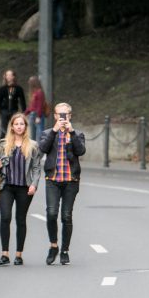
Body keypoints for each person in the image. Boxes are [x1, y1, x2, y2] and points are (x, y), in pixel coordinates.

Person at [39, 102, 86, 266]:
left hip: (71, 181)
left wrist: (71, 132)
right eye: (60, 115)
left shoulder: (77, 134)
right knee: (51, 213)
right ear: (55, 116)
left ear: (70, 116)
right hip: (53, 179)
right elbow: (43, 148)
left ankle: (65, 250)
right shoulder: (47, 133)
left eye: (65, 115)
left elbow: (81, 151)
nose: (63, 118)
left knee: (66, 216)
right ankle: (53, 246)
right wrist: (54, 130)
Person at [0, 113, 41, 266]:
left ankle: (19, 255)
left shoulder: (33, 146)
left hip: (24, 188)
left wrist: (34, 184)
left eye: (22, 124)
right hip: (6, 186)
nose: (19, 126)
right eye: (16, 124)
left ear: (25, 127)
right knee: (5, 217)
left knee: (21, 219)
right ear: (12, 127)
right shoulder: (4, 144)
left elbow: (36, 168)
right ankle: (4, 254)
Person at [0, 69, 26, 140]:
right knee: (3, 130)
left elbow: (22, 101)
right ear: (5, 77)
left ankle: (15, 145)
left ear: (13, 76)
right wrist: (0, 112)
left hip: (14, 111)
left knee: (15, 129)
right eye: (7, 75)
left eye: (10, 75)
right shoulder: (2, 88)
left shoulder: (18, 88)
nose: (9, 77)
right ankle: (2, 147)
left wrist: (23, 112)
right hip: (4, 111)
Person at [25, 76, 46, 141]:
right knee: (32, 133)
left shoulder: (39, 92)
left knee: (40, 133)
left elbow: (40, 105)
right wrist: (25, 113)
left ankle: (40, 149)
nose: (29, 83)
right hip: (32, 115)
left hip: (37, 115)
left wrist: (38, 116)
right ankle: (33, 148)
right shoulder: (33, 93)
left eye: (30, 81)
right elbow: (31, 106)